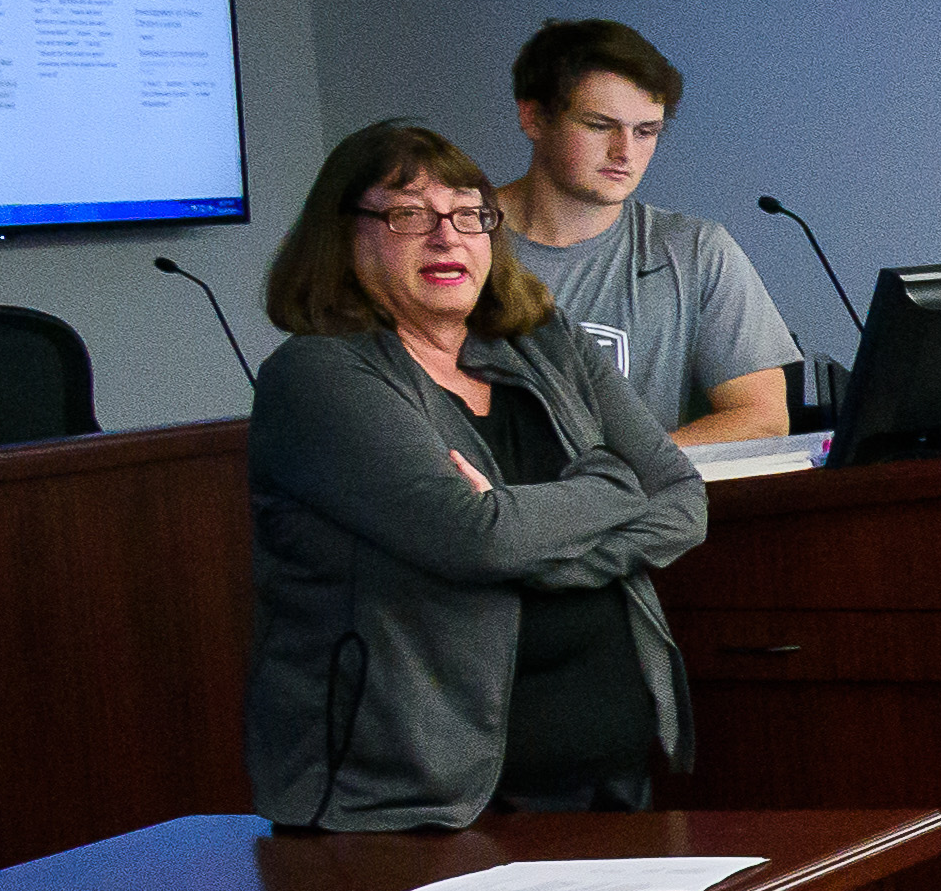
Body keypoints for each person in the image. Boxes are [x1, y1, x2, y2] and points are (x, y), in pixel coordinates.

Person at [242, 119, 709, 831]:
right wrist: (610, 486)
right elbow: (479, 539)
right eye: (407, 215)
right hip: (420, 808)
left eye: (469, 214)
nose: (447, 236)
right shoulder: (319, 376)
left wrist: (537, 550)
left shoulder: (545, 342)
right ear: (342, 236)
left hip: (613, 781)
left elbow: (679, 499)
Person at [490, 17, 799, 446]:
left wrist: (621, 478)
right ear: (534, 117)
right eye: (599, 126)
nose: (624, 152)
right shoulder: (452, 240)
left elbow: (762, 418)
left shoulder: (695, 250)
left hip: (645, 507)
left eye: (645, 132)